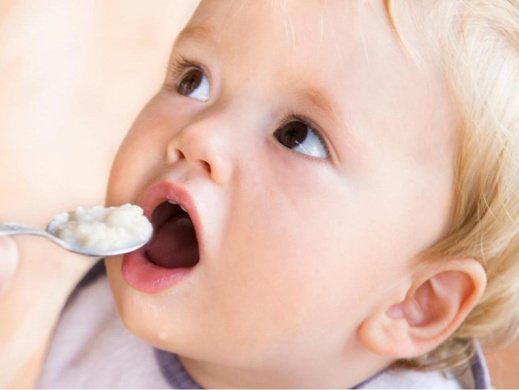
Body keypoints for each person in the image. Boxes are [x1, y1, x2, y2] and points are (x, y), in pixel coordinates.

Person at [14, 0, 519, 387]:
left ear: (413, 303)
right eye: (194, 80)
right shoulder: (95, 329)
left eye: (298, 135)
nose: (199, 135)